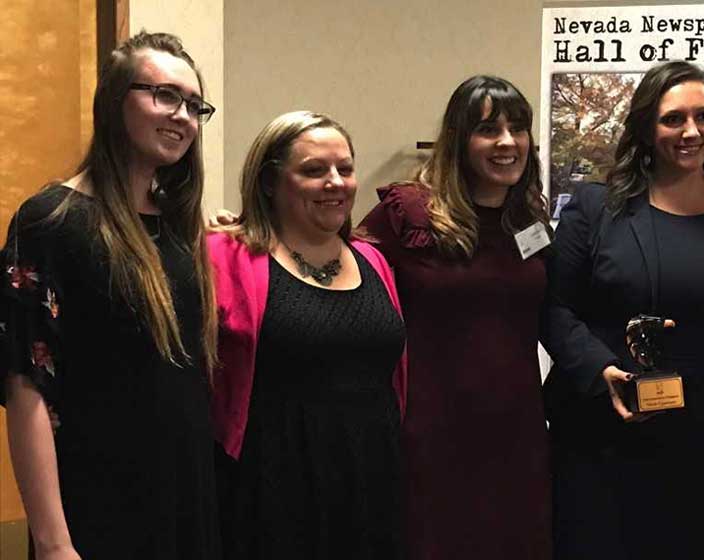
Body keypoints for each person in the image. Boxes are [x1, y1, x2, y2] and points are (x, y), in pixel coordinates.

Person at [541, 60, 704, 559]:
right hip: (610, 434)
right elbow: (555, 309)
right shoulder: (597, 207)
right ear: (647, 127)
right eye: (673, 119)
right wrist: (596, 367)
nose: (691, 131)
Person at [1, 31, 220, 559]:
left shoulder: (181, 229)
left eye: (194, 105)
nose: (183, 117)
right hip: (97, 510)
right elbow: (25, 387)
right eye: (164, 95)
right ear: (113, 101)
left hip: (187, 505)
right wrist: (54, 544)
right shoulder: (51, 221)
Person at [357, 76, 551, 560]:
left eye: (518, 128)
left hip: (517, 434)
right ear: (459, 139)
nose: (508, 142)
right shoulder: (410, 214)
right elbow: (334, 264)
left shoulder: (530, 222)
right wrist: (254, 232)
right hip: (432, 435)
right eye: (488, 129)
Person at [208, 111, 407, 559]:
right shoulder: (224, 255)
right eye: (314, 170)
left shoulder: (374, 262)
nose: (335, 182)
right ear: (268, 183)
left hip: (371, 480)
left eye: (345, 168)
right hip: (272, 486)